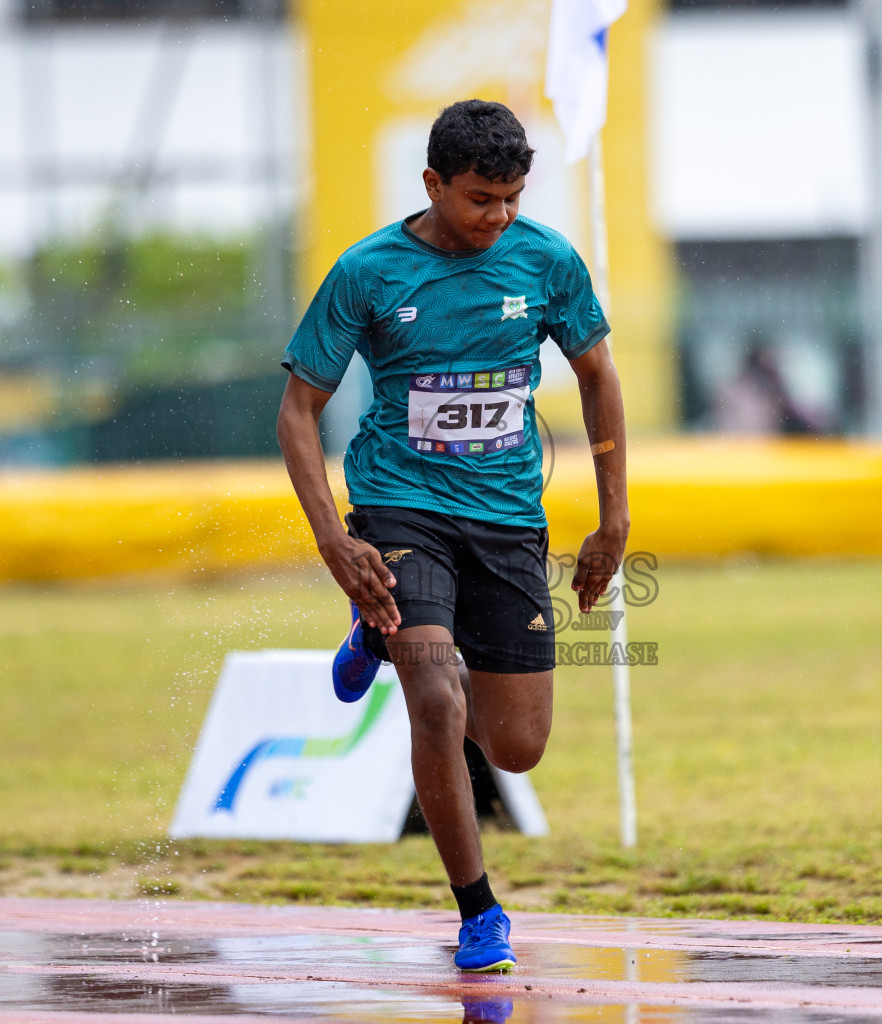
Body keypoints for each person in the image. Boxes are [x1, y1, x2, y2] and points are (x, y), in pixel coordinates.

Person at [276, 99, 629, 973]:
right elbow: (297, 410)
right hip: (399, 508)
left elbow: (597, 373)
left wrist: (614, 516)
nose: (498, 217)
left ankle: (380, 635)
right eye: (479, 198)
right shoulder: (368, 273)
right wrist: (333, 542)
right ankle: (478, 913)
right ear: (432, 183)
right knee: (437, 699)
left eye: (512, 198)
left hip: (508, 518)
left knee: (517, 746)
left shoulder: (546, 260)